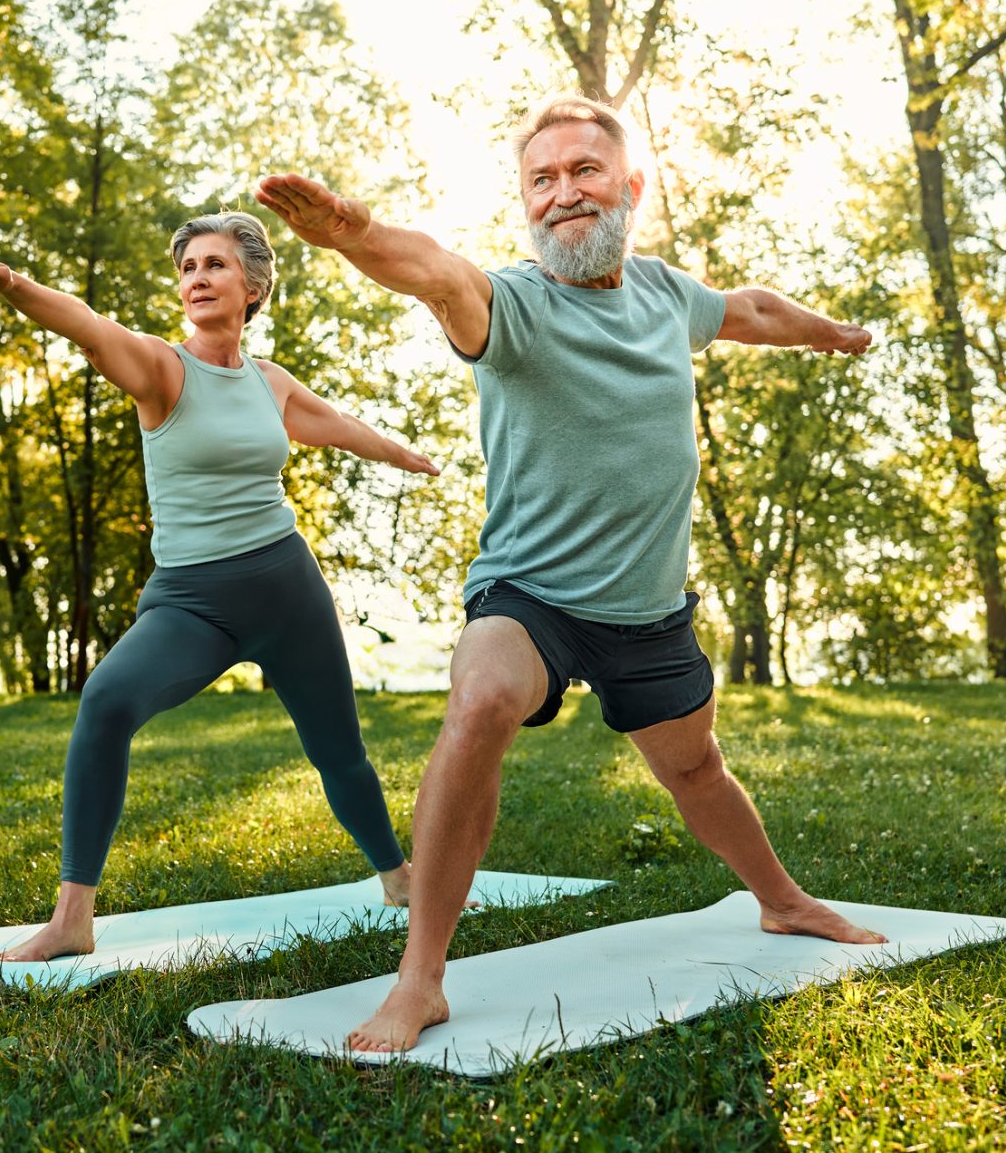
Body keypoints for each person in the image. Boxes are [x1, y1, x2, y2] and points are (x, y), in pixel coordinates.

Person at [254, 94, 887, 1053]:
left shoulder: (669, 296)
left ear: (629, 188)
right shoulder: (512, 305)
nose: (563, 195)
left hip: (646, 612)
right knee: (480, 700)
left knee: (696, 769)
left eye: (584, 172)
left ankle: (784, 901)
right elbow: (435, 275)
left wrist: (827, 331)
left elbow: (751, 308)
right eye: (541, 181)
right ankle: (420, 978)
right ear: (525, 204)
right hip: (531, 598)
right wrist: (356, 235)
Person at [0, 211, 439, 962]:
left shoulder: (270, 382)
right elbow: (91, 329)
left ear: (255, 287)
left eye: (215, 266)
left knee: (339, 751)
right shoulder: (163, 371)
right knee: (105, 701)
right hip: (195, 603)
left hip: (289, 590)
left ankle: (397, 877)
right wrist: (12, 285)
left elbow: (334, 424)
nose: (197, 279)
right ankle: (73, 917)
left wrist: (404, 457)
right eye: (189, 268)